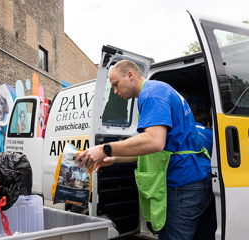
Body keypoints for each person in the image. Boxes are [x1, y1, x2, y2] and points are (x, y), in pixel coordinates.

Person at [76, 60, 215, 239]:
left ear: (130, 75)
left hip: (183, 182)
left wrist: (105, 149)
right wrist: (115, 158)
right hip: (197, 177)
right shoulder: (159, 90)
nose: (115, 91)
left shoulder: (151, 94)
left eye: (116, 84)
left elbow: (154, 142)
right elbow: (151, 148)